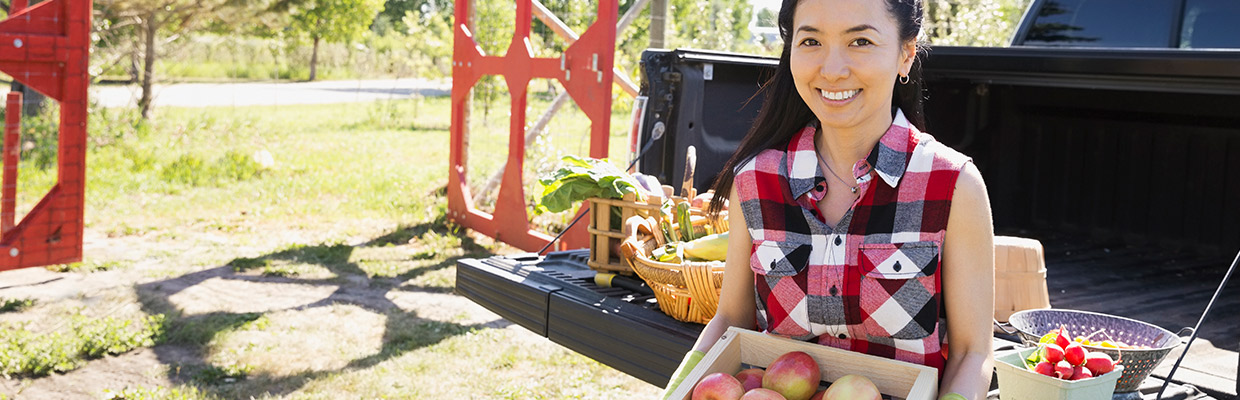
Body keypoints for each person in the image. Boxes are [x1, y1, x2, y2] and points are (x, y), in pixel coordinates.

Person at [661, 0, 995, 399]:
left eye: (860, 41)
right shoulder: (755, 180)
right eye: (811, 41)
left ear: (906, 54)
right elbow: (732, 319)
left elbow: (972, 353)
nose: (832, 69)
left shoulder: (952, 184)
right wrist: (673, 394)